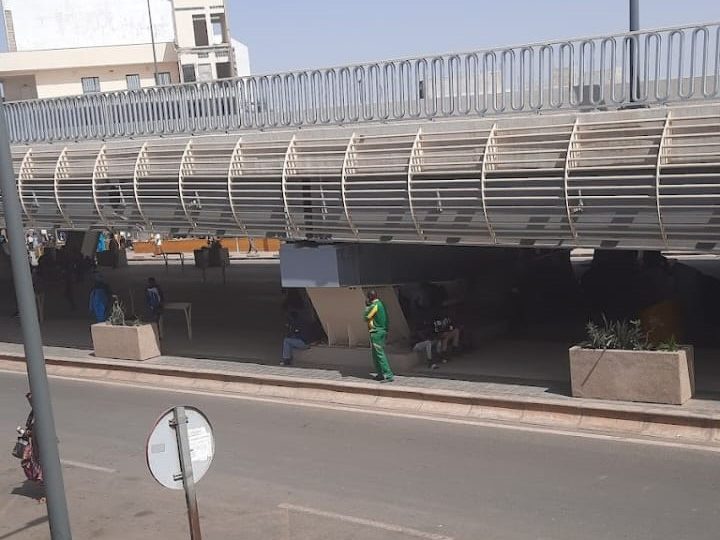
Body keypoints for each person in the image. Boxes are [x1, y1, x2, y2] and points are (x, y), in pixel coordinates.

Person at [364, 290, 394, 382]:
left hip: (376, 332)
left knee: (379, 355)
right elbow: (387, 318)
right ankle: (380, 374)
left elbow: (366, 317)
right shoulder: (381, 304)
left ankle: (388, 375)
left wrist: (367, 306)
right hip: (382, 331)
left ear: (370, 297)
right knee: (375, 355)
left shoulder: (374, 306)